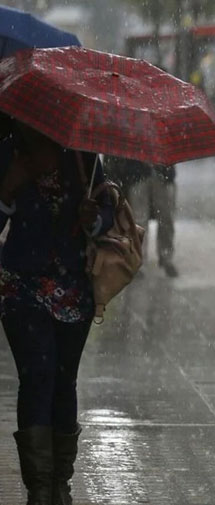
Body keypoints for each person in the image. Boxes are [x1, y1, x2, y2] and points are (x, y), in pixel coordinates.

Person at [0, 117, 115, 505]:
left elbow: (108, 208)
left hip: (72, 286)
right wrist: (8, 189)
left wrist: (93, 218)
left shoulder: (82, 153)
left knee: (64, 381)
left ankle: (60, 483)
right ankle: (39, 487)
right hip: (21, 284)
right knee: (38, 375)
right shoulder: (8, 151)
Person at [103, 157, 179, 278]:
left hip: (162, 174)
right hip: (138, 175)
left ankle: (166, 258)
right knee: (139, 220)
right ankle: (140, 261)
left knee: (166, 218)